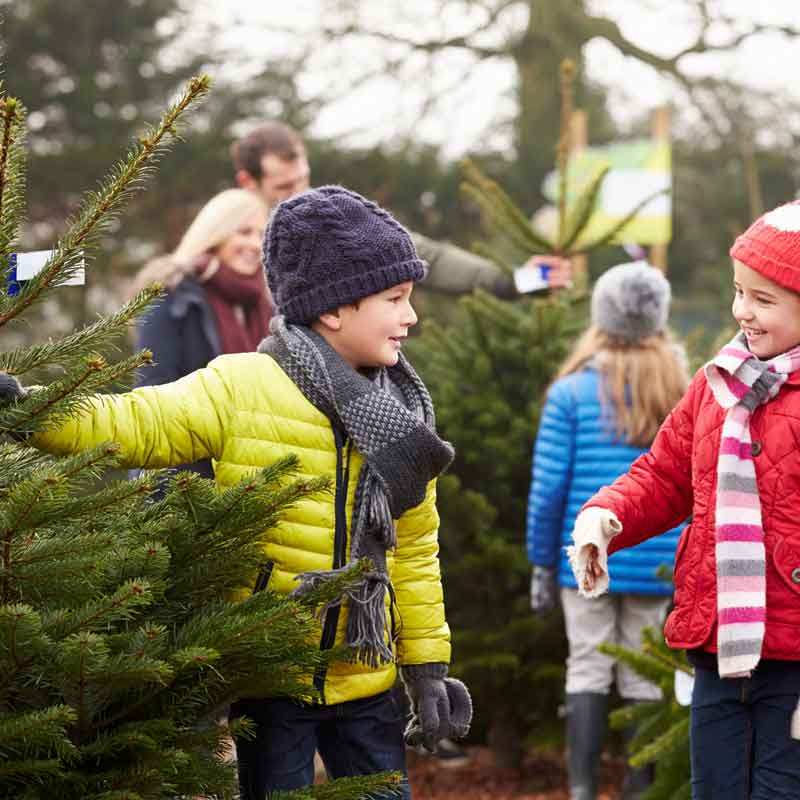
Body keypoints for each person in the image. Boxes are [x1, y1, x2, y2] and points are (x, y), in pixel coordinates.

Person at [7, 186, 472, 799]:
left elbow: (412, 551)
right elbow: (138, 420)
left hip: (368, 677)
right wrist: (36, 412)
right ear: (334, 309)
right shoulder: (243, 385)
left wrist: (428, 666)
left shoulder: (402, 417)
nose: (411, 317)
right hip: (269, 675)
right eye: (395, 300)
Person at [569, 200, 800, 799]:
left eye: (763, 299)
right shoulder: (717, 382)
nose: (741, 311)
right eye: (738, 292)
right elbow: (667, 474)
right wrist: (607, 516)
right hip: (717, 642)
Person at [527, 261, 688, 800]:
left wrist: (543, 561)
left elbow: (550, 487)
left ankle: (581, 790)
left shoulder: (571, 393)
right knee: (643, 673)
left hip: (586, 554)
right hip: (657, 558)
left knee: (588, 666)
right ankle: (640, 789)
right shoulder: (679, 387)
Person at [230, 121, 572, 297]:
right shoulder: (227, 240)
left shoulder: (333, 222)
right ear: (248, 181)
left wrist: (520, 280)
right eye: (284, 188)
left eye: (302, 180)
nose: (299, 194)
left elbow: (426, 257)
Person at [129, 188, 271, 479]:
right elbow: (153, 392)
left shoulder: (267, 303)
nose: (255, 244)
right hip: (180, 479)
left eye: (262, 235)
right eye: (244, 232)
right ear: (216, 232)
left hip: (250, 478)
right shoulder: (171, 292)